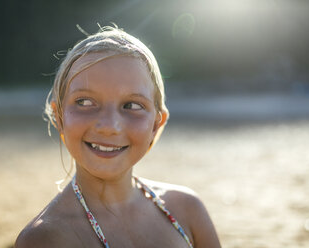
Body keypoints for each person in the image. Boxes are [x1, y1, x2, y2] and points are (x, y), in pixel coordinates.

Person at [15, 26, 221, 248]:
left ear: (155, 124)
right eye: (85, 102)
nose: (109, 127)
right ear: (59, 117)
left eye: (131, 105)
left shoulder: (187, 210)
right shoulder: (45, 239)